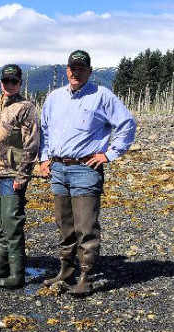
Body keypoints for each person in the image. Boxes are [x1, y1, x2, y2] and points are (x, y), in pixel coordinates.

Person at [38, 50, 136, 297]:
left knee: (86, 226)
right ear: (66, 70)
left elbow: (127, 124)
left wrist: (110, 154)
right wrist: (44, 158)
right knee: (64, 225)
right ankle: (66, 271)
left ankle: (87, 276)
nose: (76, 73)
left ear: (89, 71)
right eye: (72, 68)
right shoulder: (54, 98)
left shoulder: (102, 96)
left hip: (86, 168)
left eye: (82, 68)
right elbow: (45, 132)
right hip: (58, 168)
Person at [0, 64, 39, 289]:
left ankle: (17, 274)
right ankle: (1, 267)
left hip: (12, 174)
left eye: (14, 81)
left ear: (20, 83)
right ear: (0, 82)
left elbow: (31, 145)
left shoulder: (26, 107)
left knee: (12, 223)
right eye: (6, 81)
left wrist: (23, 176)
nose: (9, 85)